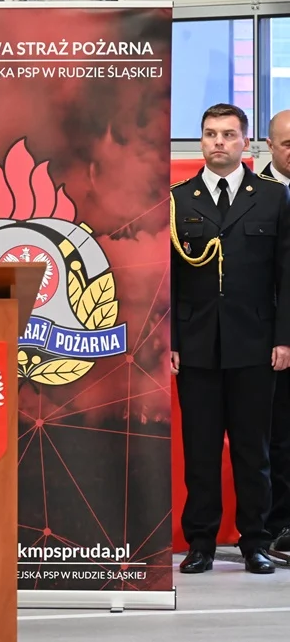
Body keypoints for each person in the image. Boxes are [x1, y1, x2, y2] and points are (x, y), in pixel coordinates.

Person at [170, 103, 290, 576]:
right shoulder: (179, 199)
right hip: (196, 344)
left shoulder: (272, 198)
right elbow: (168, 280)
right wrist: (171, 339)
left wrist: (284, 339)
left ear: (246, 142)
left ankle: (254, 542)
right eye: (210, 134)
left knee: (252, 451)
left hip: (255, 343)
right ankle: (200, 543)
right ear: (201, 141)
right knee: (200, 449)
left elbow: (285, 276)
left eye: (227, 134)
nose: (218, 142)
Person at [262, 109, 290, 552]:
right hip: (271, 337)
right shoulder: (256, 194)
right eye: (288, 144)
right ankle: (280, 525)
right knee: (279, 437)